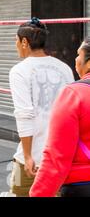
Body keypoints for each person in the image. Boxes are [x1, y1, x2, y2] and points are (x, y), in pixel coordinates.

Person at [8, 17, 74, 197]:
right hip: (62, 157)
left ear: (24, 42)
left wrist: (28, 156)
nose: (15, 46)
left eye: (16, 41)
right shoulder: (65, 68)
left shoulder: (19, 71)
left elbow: (24, 114)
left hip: (34, 159)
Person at [30, 38, 90, 197]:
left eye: (78, 54)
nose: (76, 59)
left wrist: (39, 193)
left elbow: (56, 157)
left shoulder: (74, 94)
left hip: (82, 186)